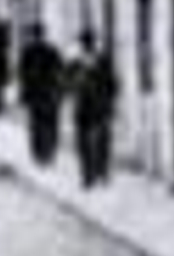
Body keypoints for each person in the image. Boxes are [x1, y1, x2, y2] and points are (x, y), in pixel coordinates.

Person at [70, 29, 118, 188]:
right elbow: (66, 83)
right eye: (85, 43)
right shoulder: (76, 63)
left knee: (102, 142)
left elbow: (113, 83)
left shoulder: (102, 61)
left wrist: (108, 100)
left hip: (99, 108)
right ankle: (88, 175)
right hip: (83, 109)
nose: (86, 46)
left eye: (87, 42)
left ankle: (101, 172)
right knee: (84, 144)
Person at [18, 23, 65, 167]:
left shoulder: (30, 52)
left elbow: (23, 75)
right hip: (45, 94)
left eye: (36, 35)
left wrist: (24, 94)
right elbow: (23, 75)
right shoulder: (49, 51)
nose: (36, 37)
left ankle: (43, 153)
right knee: (45, 124)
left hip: (42, 94)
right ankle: (45, 153)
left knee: (41, 124)